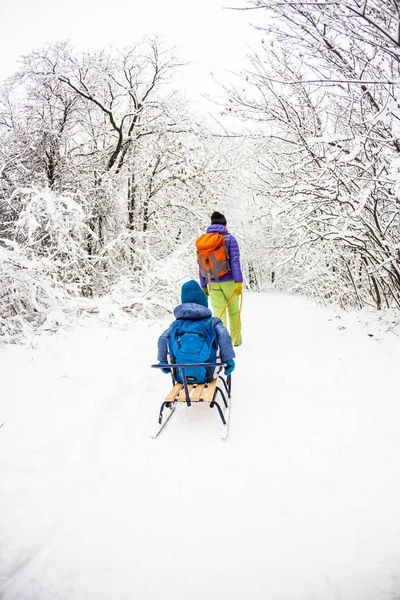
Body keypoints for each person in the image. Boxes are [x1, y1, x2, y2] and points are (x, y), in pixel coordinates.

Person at [157, 280, 235, 382]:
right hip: (209, 373)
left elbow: (163, 338)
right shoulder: (213, 322)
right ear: (204, 303)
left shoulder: (176, 324)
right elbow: (224, 336)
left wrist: (163, 361)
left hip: (181, 375)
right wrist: (228, 360)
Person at [199, 211, 243, 346]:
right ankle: (236, 340)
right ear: (225, 224)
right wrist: (238, 281)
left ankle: (221, 341)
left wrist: (203, 284)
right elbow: (235, 262)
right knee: (233, 310)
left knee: (219, 312)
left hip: (211, 281)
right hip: (229, 280)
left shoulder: (204, 241)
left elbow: (201, 263)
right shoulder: (230, 239)